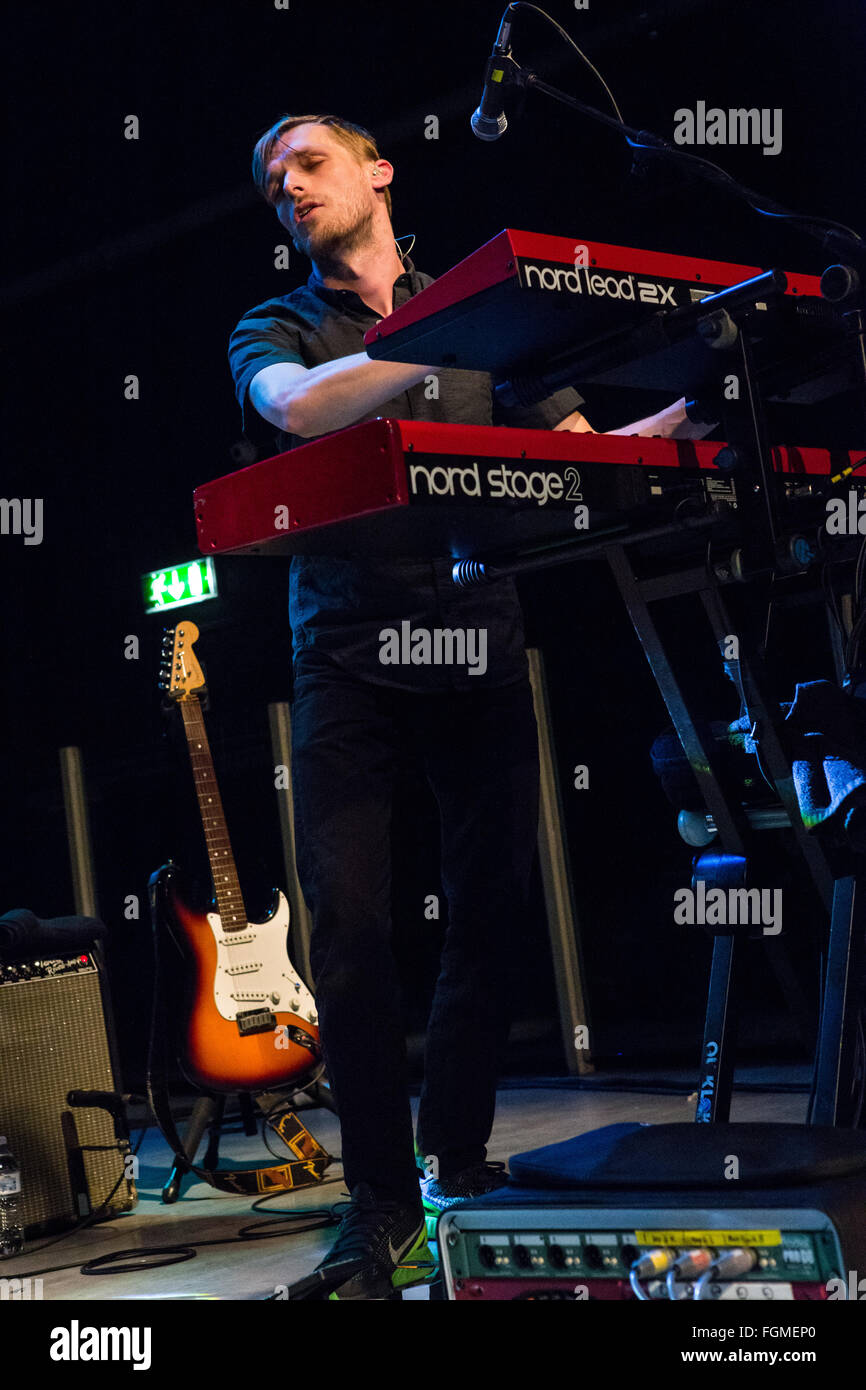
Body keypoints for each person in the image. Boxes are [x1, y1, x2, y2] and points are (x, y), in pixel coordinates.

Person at [228, 114, 713, 1300]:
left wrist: (686, 425)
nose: (287, 186)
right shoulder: (278, 324)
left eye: (309, 162)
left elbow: (581, 452)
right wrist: (458, 336)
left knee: (489, 913)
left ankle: (453, 1159)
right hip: (344, 647)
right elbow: (296, 409)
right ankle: (379, 1200)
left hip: (476, 639)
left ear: (378, 170)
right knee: (347, 927)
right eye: (270, 180)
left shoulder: (479, 314)